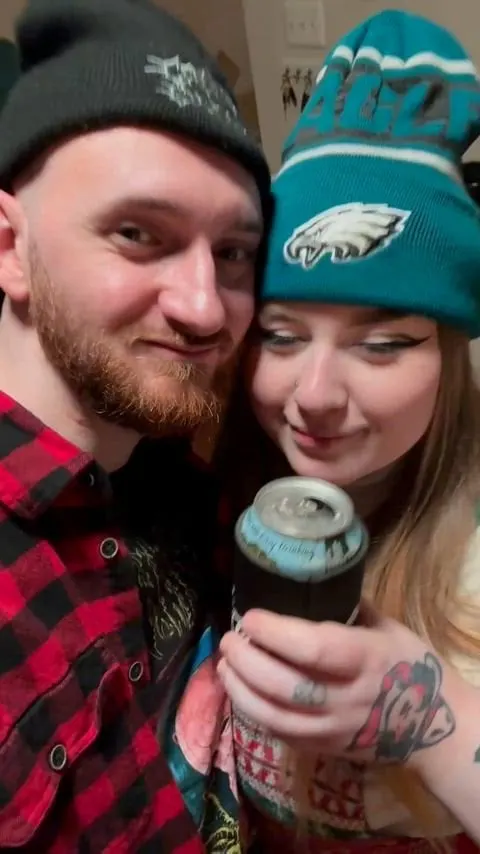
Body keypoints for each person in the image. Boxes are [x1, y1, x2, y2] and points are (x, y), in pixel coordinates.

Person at [0, 0, 271, 851]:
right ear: (9, 248)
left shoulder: (173, 467)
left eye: (233, 252)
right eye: (137, 233)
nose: (204, 309)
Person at [215, 10, 480, 854]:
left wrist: (431, 722)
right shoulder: (207, 479)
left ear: (447, 358)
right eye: (280, 335)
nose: (316, 396)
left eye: (383, 343)